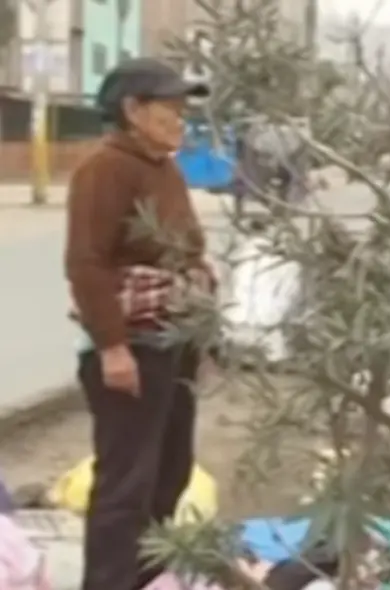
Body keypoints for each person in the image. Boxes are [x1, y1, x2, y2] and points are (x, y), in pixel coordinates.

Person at [64, 58, 214, 590]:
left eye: (182, 108)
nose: (181, 119)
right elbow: (86, 262)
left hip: (173, 341)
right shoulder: (105, 168)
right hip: (132, 343)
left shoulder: (163, 166)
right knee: (126, 484)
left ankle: (144, 581)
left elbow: (186, 249)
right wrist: (112, 348)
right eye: (170, 108)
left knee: (170, 473)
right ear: (132, 110)